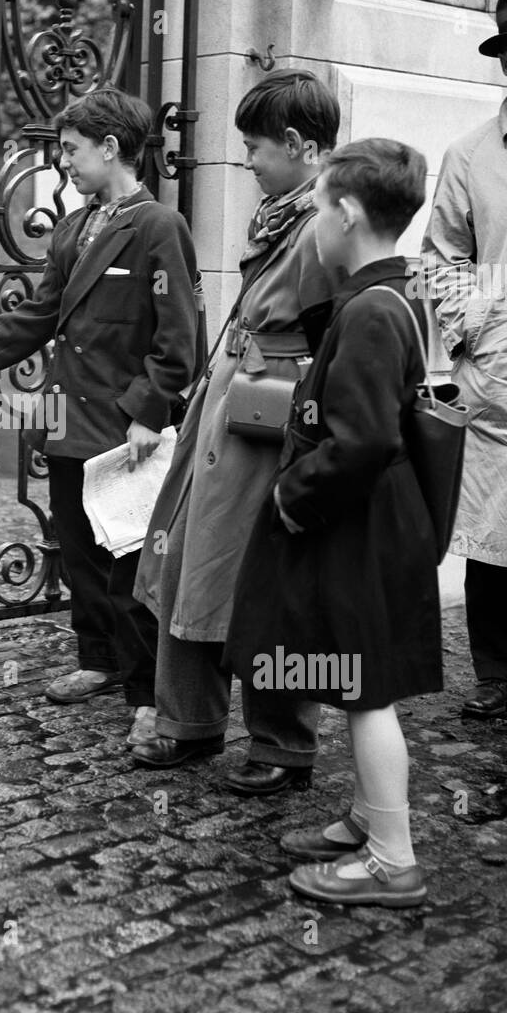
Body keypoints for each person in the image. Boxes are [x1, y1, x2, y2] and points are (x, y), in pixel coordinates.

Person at [0, 87, 202, 741]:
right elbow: (41, 316)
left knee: (129, 565)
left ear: (111, 147)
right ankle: (96, 660)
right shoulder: (72, 228)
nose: (64, 162)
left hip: (127, 431)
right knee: (79, 555)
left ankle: (148, 696)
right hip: (70, 422)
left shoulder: (158, 227)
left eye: (71, 150)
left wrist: (150, 413)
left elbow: (180, 339)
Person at [225, 139, 436, 906]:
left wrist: (289, 495)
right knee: (355, 685)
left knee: (366, 690)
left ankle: (391, 861)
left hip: (359, 528)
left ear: (345, 213)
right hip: (371, 524)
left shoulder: (374, 311)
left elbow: (363, 440)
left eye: (316, 208)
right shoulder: (384, 298)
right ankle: (368, 818)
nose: (312, 223)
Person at [133, 69, 341, 795]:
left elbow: (346, 341)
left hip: (274, 427)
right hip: (227, 412)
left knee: (270, 583)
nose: (246, 159)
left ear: (296, 144)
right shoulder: (282, 213)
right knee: (191, 558)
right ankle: (188, 722)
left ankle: (284, 745)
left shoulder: (329, 224)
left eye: (254, 145)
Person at [422, 0, 507, 720]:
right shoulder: (471, 155)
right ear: (504, 62)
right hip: (506, 374)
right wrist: (482, 325)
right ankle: (500, 674)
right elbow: (440, 258)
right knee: (499, 536)